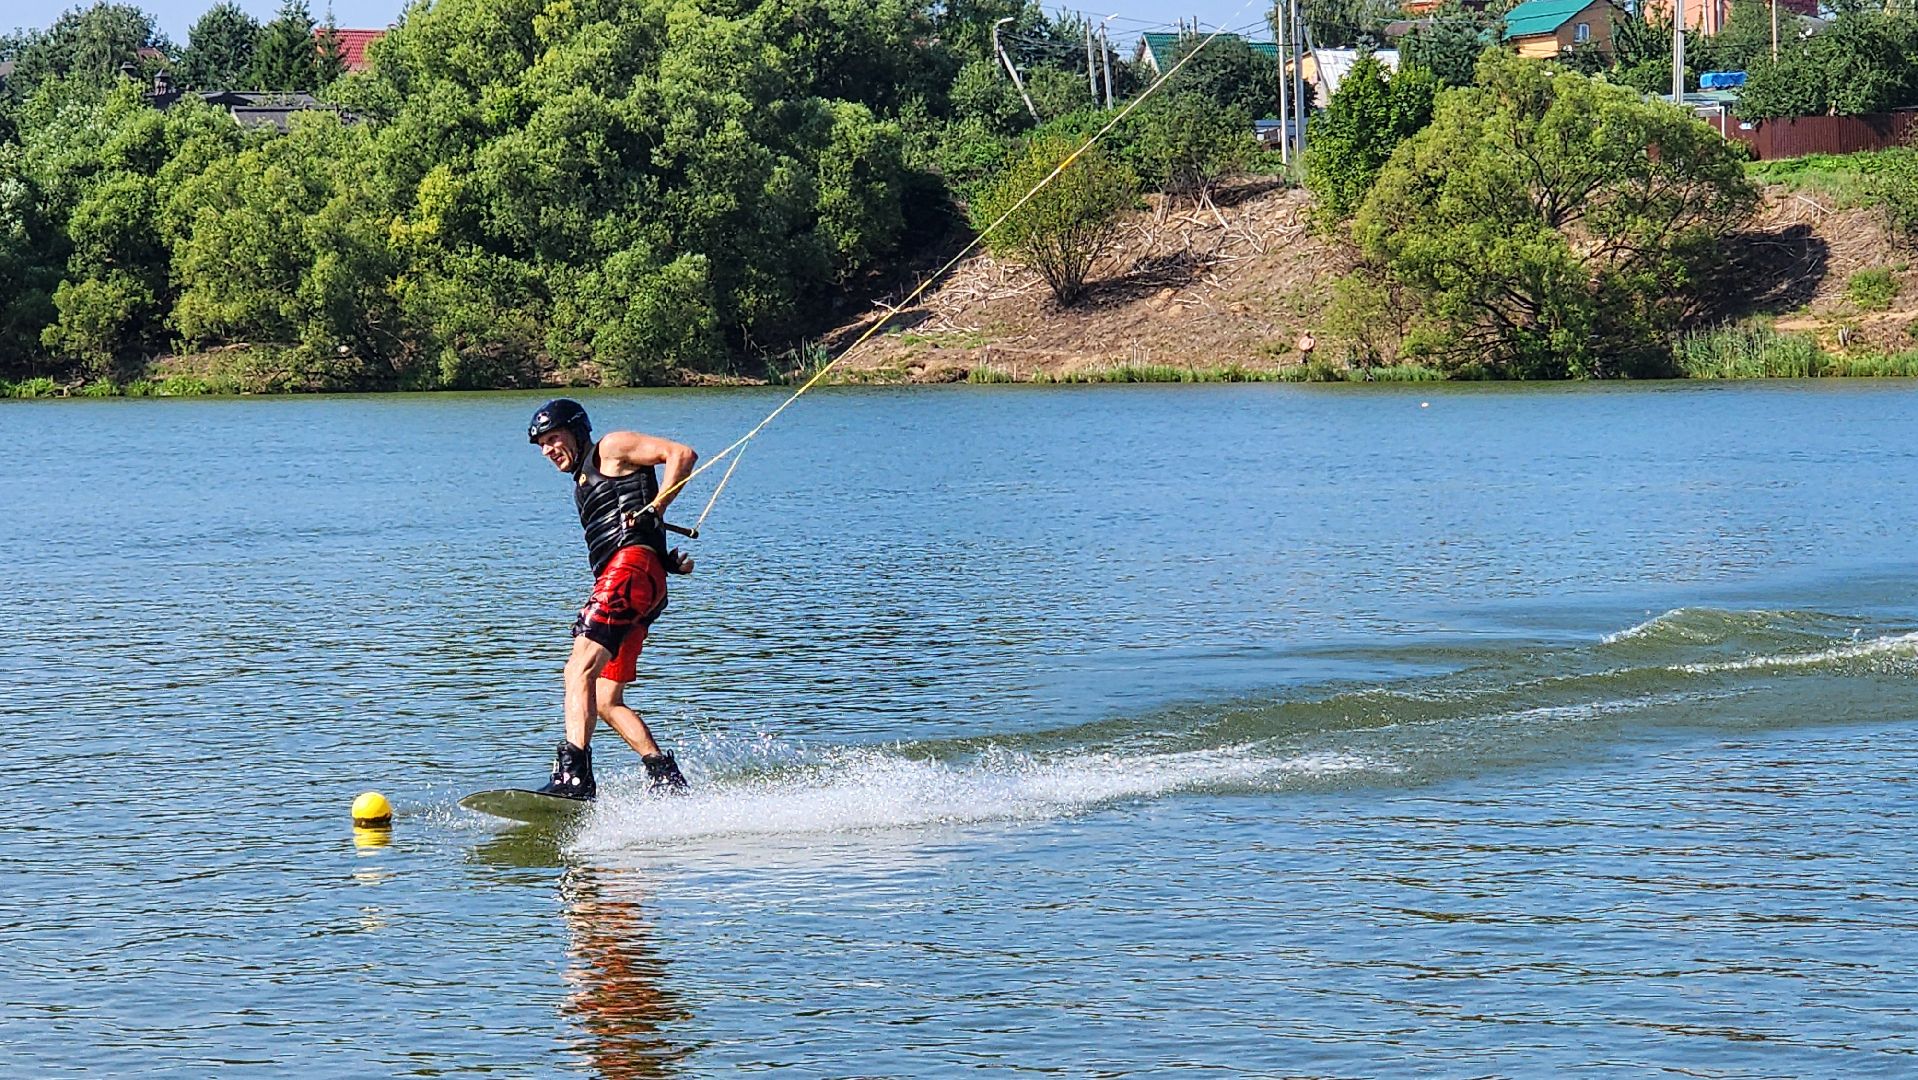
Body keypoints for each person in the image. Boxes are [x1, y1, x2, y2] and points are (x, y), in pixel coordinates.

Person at [527, 398, 697, 800]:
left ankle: (574, 778)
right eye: (542, 446)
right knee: (604, 698)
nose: (550, 450)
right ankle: (665, 779)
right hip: (640, 581)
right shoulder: (583, 484)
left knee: (577, 670)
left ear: (577, 431)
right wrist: (663, 559)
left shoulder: (611, 447)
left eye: (554, 438)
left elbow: (681, 455)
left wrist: (658, 509)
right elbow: (627, 528)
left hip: (630, 574)